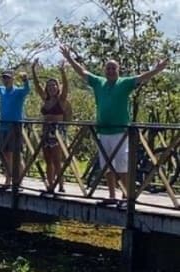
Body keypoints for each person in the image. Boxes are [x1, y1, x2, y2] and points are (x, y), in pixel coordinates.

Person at [60, 45, 169, 206]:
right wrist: (69, 59)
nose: (110, 71)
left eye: (113, 68)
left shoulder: (124, 83)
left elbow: (142, 77)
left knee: (122, 164)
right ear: (105, 70)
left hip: (120, 131)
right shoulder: (99, 83)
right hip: (104, 131)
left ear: (118, 70)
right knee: (107, 165)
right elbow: (82, 72)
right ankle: (112, 195)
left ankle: (125, 195)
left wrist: (157, 69)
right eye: (108, 68)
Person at [31, 59, 71, 193]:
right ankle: (50, 184)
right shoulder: (45, 99)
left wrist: (62, 72)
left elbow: (66, 87)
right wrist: (33, 71)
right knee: (47, 160)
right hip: (46, 130)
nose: (52, 88)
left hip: (57, 131)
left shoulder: (61, 100)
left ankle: (61, 185)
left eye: (54, 85)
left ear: (57, 87)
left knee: (57, 159)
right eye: (49, 86)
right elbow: (37, 87)